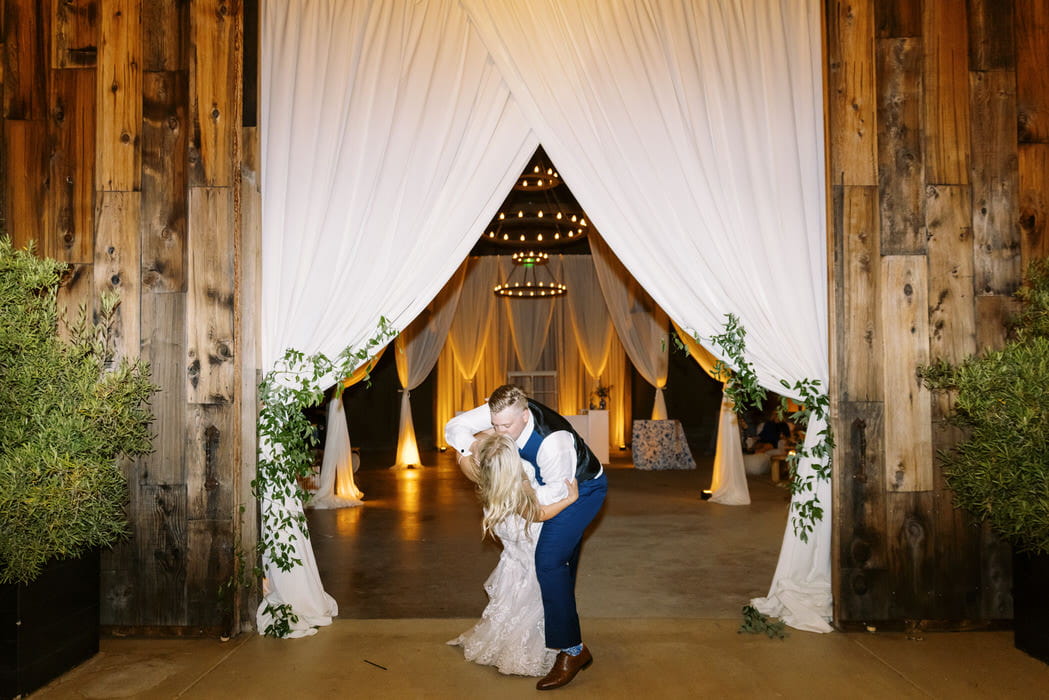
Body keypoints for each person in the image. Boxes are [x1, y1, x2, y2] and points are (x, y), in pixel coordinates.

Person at [446, 385, 608, 691]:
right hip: (534, 488)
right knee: (561, 561)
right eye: (494, 425)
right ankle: (562, 632)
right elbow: (454, 427)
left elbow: (546, 503)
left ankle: (573, 651)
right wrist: (481, 454)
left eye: (505, 426)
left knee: (547, 561)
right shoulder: (504, 413)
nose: (499, 431)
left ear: (525, 414)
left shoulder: (553, 444)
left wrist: (514, 482)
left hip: (578, 491)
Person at [448, 433, 579, 676]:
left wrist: (479, 443)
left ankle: (503, 639)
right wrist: (570, 499)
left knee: (512, 594)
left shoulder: (485, 476)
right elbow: (538, 514)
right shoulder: (516, 486)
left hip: (511, 547)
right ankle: (528, 650)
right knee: (533, 598)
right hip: (528, 547)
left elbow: (460, 450)